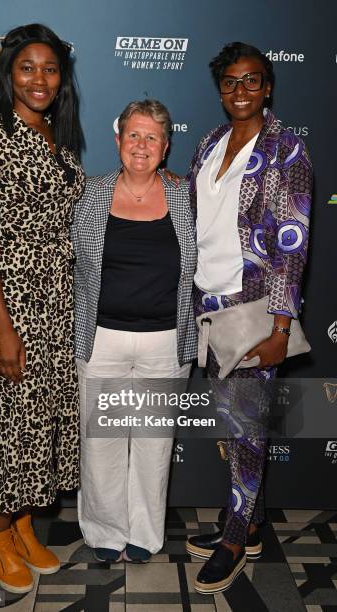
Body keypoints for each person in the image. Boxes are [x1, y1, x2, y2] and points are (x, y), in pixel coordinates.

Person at [0, 24, 85, 593]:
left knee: (43, 429)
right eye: (28, 67)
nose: (40, 79)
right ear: (8, 72)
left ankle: (26, 525)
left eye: (51, 68)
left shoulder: (58, 139)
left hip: (59, 310)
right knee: (13, 429)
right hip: (14, 310)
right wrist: (3, 329)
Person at [185, 42, 312, 593]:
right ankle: (252, 521)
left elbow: (293, 244)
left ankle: (236, 538)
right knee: (235, 429)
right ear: (221, 90)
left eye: (251, 81)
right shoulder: (209, 144)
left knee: (248, 430)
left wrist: (281, 328)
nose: (240, 91)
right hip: (207, 305)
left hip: (254, 308)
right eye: (230, 82)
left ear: (268, 87)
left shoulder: (286, 149)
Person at [72, 99, 197, 563]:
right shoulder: (89, 194)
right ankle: (105, 532)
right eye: (133, 135)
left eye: (151, 137)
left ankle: (144, 533)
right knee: (101, 442)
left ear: (165, 146)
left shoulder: (187, 195)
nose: (141, 145)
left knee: (152, 443)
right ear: (118, 140)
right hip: (101, 337)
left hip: (166, 341)